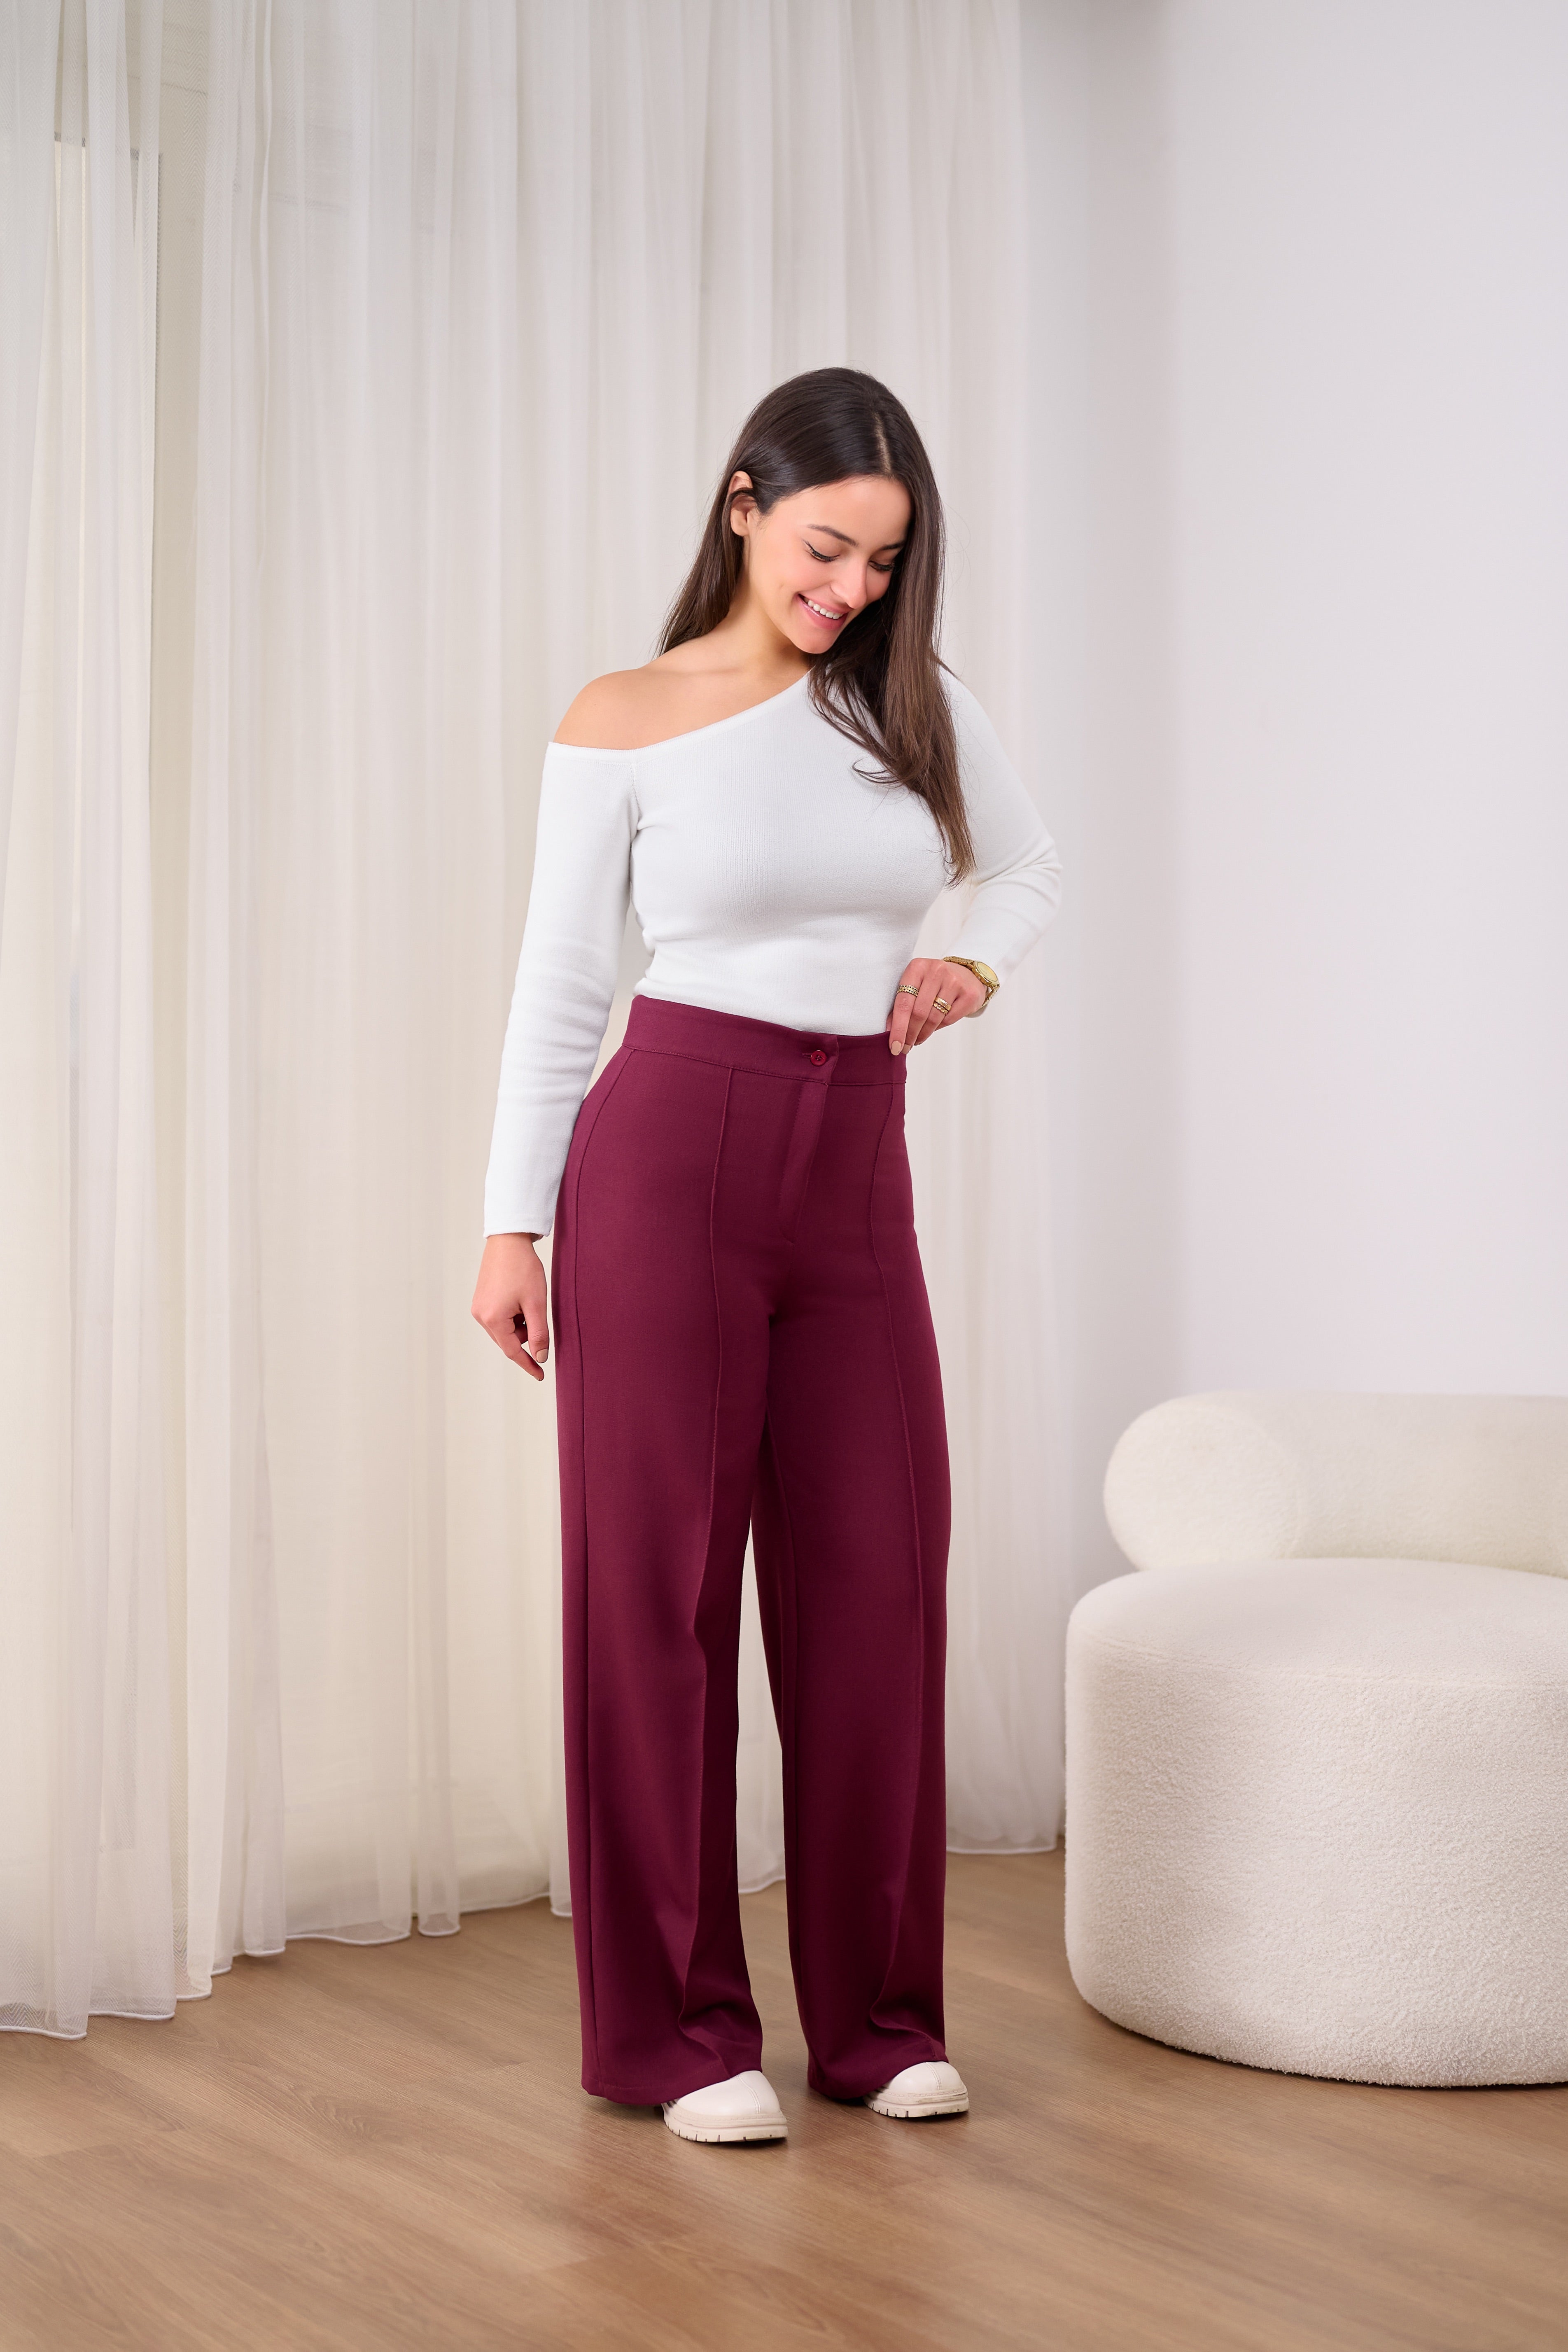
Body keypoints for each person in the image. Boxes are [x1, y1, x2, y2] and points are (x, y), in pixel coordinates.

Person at [471, 366, 1061, 2147]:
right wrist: (512, 1217)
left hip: (854, 1163)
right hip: (665, 1155)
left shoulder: (913, 702)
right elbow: (565, 982)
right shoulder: (627, 716)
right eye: (824, 549)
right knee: (653, 1597)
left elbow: (1027, 871)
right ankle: (675, 2037)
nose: (849, 590)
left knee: (878, 1585)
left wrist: (971, 961)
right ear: (743, 505)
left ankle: (877, 2025)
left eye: (881, 562)